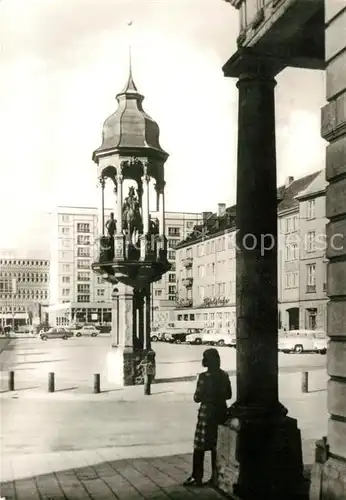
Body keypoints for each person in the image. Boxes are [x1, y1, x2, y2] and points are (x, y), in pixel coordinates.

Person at [183, 348, 232, 487]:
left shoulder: (204, 377)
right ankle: (216, 477)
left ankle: (196, 476)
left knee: (199, 446)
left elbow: (197, 397)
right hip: (221, 412)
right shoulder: (224, 375)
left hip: (206, 413)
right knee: (216, 446)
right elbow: (228, 395)